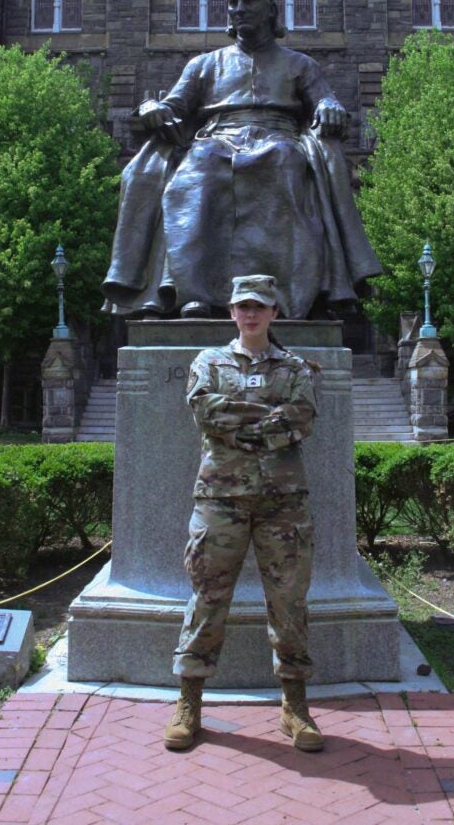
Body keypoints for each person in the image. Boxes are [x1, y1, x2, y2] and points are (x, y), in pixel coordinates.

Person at [102, 0, 382, 320]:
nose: (239, 9)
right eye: (233, 3)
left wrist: (329, 107)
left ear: (270, 10)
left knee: (283, 161)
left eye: (248, 1)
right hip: (216, 139)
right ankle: (194, 295)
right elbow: (173, 106)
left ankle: (287, 297)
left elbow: (324, 100)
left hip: (278, 137)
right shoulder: (204, 65)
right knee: (198, 169)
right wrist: (150, 108)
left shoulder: (300, 64)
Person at [163, 274, 324, 752]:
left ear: (275, 312)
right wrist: (265, 421)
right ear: (232, 312)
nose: (250, 314)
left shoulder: (295, 367)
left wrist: (245, 424)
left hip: (283, 502)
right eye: (242, 306)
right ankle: (189, 703)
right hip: (220, 501)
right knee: (207, 599)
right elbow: (205, 412)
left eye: (260, 306)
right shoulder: (208, 362)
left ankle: (295, 708)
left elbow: (301, 418)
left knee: (289, 602)